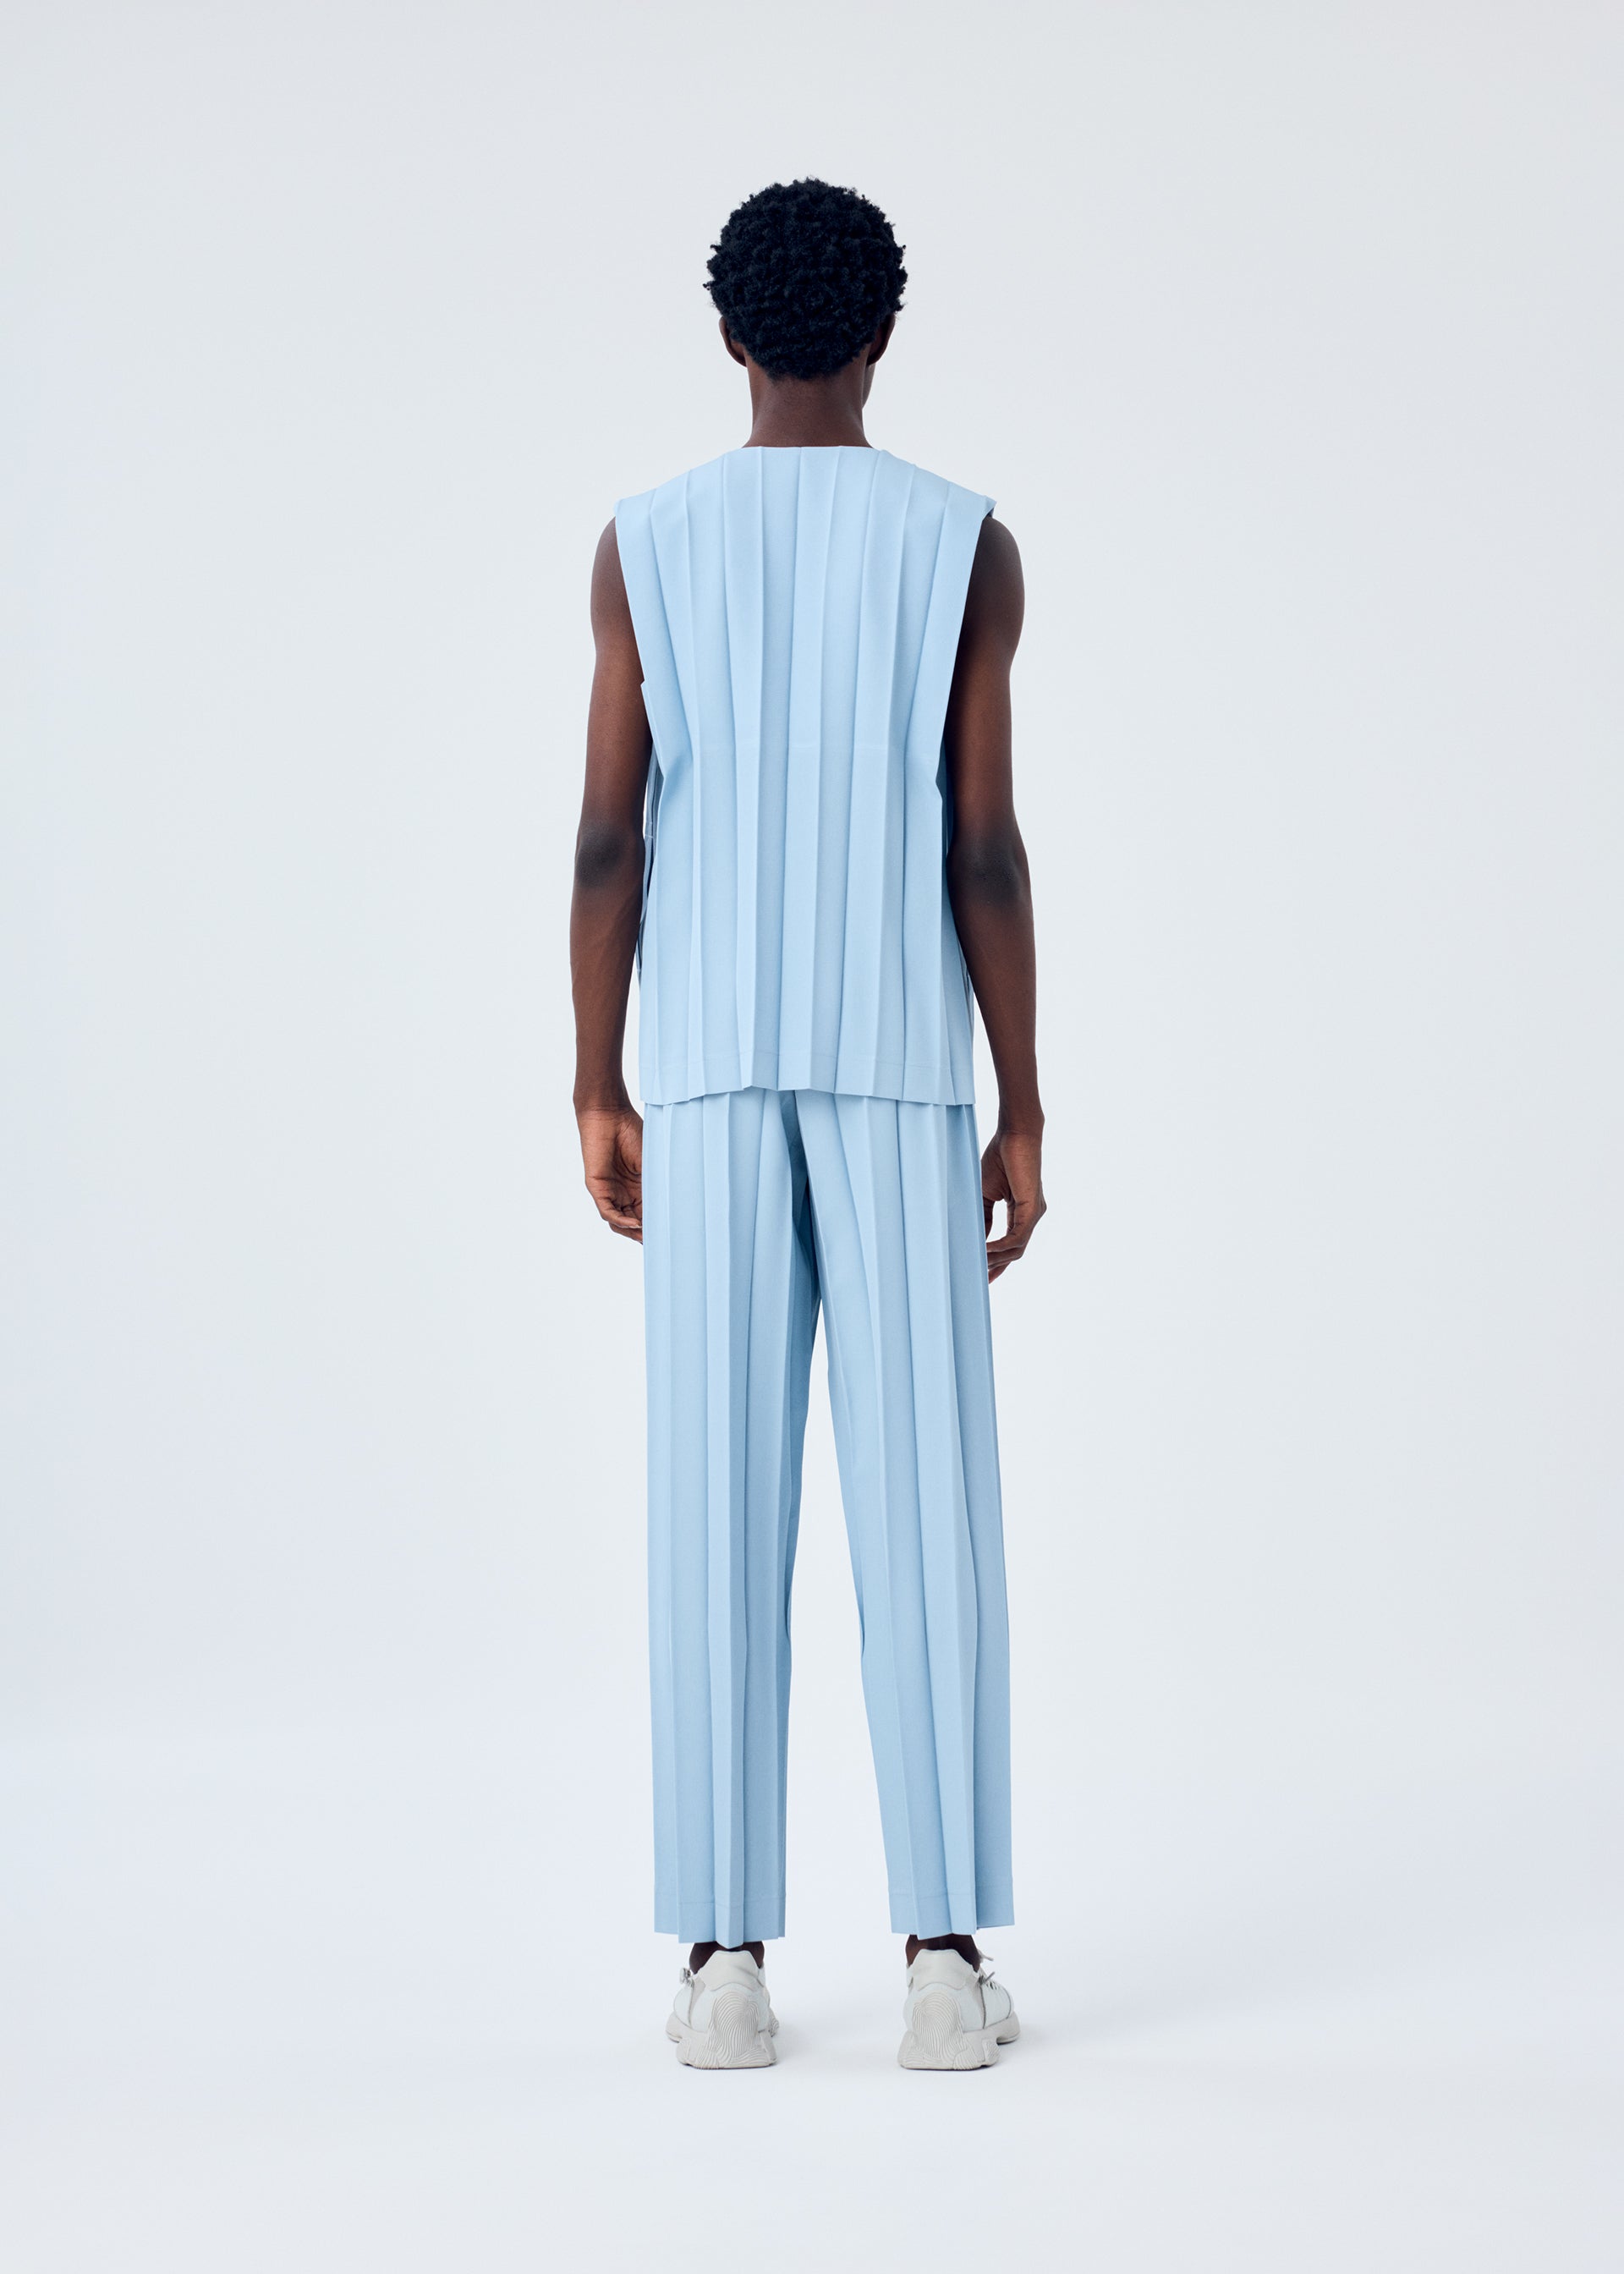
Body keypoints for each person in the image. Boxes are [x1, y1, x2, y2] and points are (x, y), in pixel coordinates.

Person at [570, 179, 1044, 2071]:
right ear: (882, 335)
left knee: (712, 1507)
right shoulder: (964, 545)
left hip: (702, 1060)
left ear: (729, 337)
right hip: (902, 1058)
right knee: (930, 1505)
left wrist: (594, 1077)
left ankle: (723, 1970)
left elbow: (609, 839)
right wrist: (1027, 1099)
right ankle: (942, 1962)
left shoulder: (646, 545)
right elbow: (983, 847)